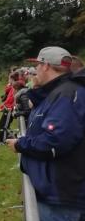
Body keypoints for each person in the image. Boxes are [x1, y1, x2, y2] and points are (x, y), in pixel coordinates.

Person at [6, 46, 85, 219]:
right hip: (58, 195)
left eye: (38, 66)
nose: (35, 71)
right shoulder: (60, 92)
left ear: (46, 66)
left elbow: (54, 142)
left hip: (62, 199)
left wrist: (20, 144)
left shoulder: (67, 94)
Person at [0, 72, 18, 146]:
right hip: (7, 108)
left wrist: (7, 107)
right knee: (1, 123)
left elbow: (12, 100)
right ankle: (2, 138)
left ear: (12, 79)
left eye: (9, 78)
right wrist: (3, 106)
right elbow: (8, 97)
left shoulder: (15, 88)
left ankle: (2, 141)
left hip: (9, 110)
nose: (8, 80)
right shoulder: (12, 86)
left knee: (4, 125)